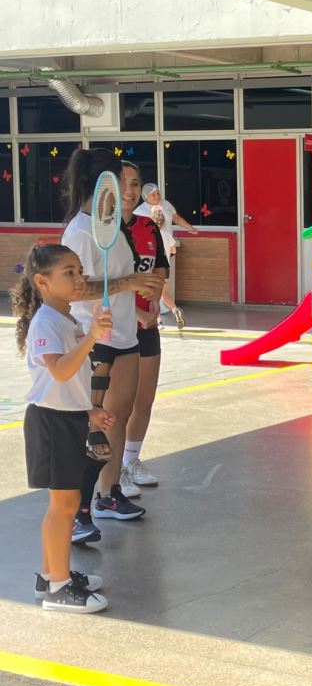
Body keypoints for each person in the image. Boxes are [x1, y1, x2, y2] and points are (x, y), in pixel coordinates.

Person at [61, 149, 163, 541]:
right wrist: (130, 285)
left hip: (126, 337)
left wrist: (139, 303)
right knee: (95, 428)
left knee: (116, 418)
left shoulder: (113, 226)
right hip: (96, 341)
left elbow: (117, 279)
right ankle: (78, 511)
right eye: (117, 180)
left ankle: (109, 494)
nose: (125, 189)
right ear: (99, 181)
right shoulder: (80, 231)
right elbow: (75, 289)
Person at [11, 244, 114, 613]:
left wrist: (90, 411)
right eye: (68, 272)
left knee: (64, 505)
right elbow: (58, 371)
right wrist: (90, 337)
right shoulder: (46, 323)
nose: (78, 278)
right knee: (64, 506)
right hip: (51, 423)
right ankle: (59, 588)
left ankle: (50, 574)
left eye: (79, 270)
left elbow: (68, 383)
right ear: (42, 281)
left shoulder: (65, 318)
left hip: (67, 418)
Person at [118, 162, 168, 499]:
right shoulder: (101, 231)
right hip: (117, 329)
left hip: (147, 326)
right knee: (118, 404)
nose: (130, 189)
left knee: (144, 400)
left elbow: (161, 266)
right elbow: (101, 283)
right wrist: (134, 309)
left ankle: (131, 461)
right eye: (123, 183)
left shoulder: (148, 226)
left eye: (135, 183)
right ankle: (111, 472)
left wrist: (154, 300)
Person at [134, 183, 197, 329]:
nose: (158, 196)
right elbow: (173, 249)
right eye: (154, 194)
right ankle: (172, 311)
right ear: (146, 197)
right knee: (160, 290)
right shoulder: (140, 213)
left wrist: (190, 228)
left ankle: (160, 318)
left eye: (158, 193)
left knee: (153, 291)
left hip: (151, 262)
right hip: (163, 262)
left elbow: (177, 218)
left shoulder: (165, 207)